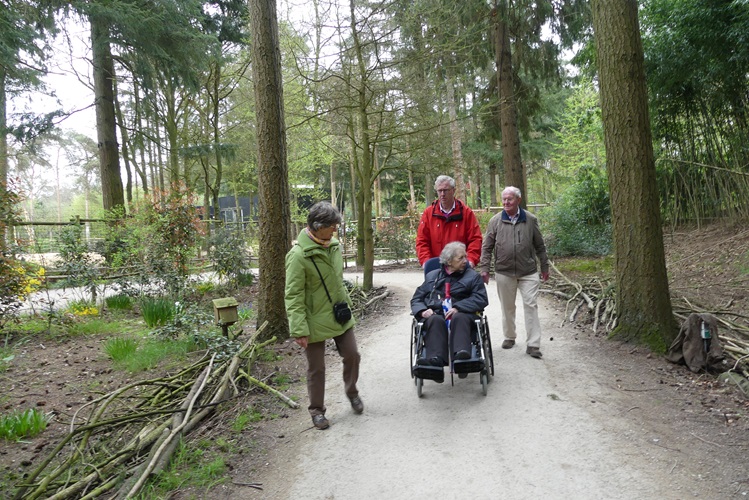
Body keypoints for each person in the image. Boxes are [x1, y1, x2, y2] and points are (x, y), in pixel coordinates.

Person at [285, 201, 363, 430]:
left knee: (353, 355)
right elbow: (293, 294)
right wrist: (298, 329)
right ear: (318, 226)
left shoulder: (334, 245)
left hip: (339, 314)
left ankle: (352, 392)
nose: (335, 230)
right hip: (313, 319)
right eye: (332, 225)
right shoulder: (298, 256)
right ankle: (317, 411)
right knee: (316, 368)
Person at [479, 186, 549, 359]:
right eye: (504, 199)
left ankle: (533, 344)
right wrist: (484, 269)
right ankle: (510, 336)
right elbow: (486, 247)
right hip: (504, 271)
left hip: (528, 271)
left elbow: (540, 246)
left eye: (509, 199)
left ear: (518, 200)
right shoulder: (495, 221)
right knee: (507, 307)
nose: (506, 202)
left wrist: (545, 267)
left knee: (531, 305)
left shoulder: (530, 220)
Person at [411, 241, 489, 379]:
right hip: (438, 314)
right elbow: (417, 299)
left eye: (465, 257)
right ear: (449, 261)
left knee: (459, 317)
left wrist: (459, 307)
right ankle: (435, 362)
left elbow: (481, 298)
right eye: (461, 258)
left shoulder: (473, 276)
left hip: (464, 314)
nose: (466, 260)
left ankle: (462, 358)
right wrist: (423, 311)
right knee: (434, 320)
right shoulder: (432, 277)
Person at [416, 175, 483, 268]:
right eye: (439, 191)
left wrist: (471, 260)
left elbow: (475, 239)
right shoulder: (428, 214)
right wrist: (426, 262)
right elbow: (422, 241)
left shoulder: (466, 213)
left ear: (453, 190)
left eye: (446, 190)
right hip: (436, 267)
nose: (442, 194)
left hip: (461, 268)